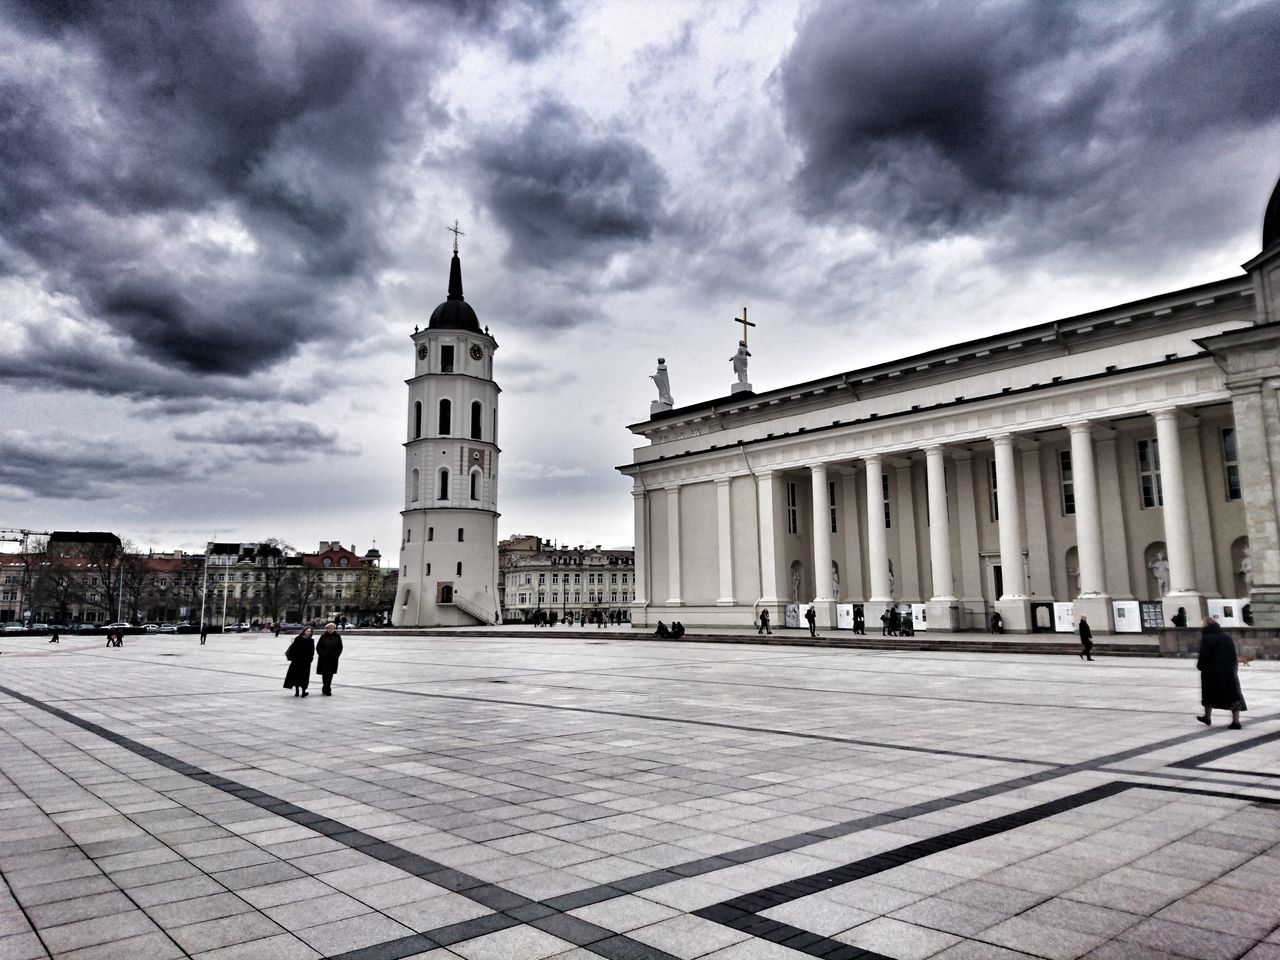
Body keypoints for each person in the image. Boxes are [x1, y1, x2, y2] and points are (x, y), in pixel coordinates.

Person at [1197, 617, 1246, 728]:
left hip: (1211, 672)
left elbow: (1204, 655)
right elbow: (1233, 656)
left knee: (1209, 694)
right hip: (1228, 671)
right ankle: (1236, 721)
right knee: (1233, 694)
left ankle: (1207, 717)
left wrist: (1200, 666)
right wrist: (1233, 669)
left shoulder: (1207, 638)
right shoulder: (1227, 637)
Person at [284, 626, 315, 697]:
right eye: (307, 631)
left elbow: (312, 651)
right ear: (304, 631)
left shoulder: (311, 640)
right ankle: (297, 691)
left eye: (310, 631)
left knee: (304, 676)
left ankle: (303, 691)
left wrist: (310, 659)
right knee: (296, 676)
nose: (309, 632)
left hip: (306, 662)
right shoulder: (298, 639)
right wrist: (294, 658)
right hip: (297, 661)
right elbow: (293, 649)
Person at [315, 622, 343, 696]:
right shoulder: (323, 636)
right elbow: (318, 647)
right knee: (324, 674)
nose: (330, 630)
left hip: (333, 659)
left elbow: (340, 647)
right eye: (329, 628)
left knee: (330, 674)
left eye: (332, 628)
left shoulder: (337, 636)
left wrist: (336, 655)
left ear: (334, 629)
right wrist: (321, 654)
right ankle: (326, 687)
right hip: (324, 659)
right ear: (327, 629)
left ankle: (327, 689)